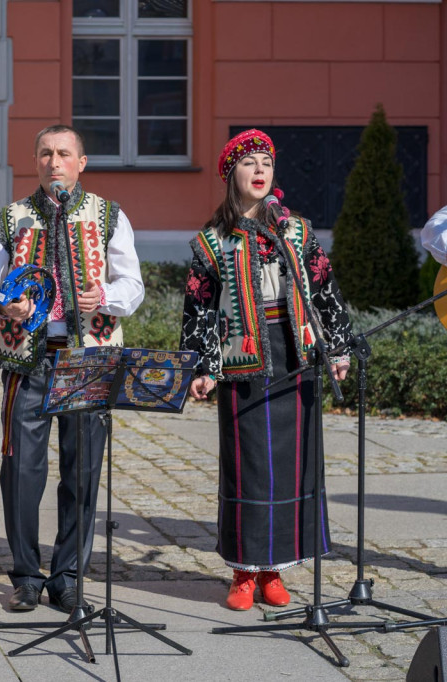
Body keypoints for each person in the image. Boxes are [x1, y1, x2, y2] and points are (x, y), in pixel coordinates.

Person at [0, 125, 144, 612]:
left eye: (64, 153)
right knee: (21, 468)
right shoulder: (12, 217)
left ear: (81, 163)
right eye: (46, 153)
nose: (54, 161)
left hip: (88, 357)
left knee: (83, 472)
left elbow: (133, 284)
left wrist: (104, 296)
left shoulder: (108, 215)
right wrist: (5, 303)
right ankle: (25, 575)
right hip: (29, 358)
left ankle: (67, 577)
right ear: (36, 161)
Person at [180, 129, 353, 610]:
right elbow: (198, 310)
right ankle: (242, 571)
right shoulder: (212, 242)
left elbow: (324, 289)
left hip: (296, 353)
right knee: (249, 467)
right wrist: (204, 366)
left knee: (294, 466)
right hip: (244, 360)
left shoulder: (296, 231)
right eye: (249, 163)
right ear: (230, 174)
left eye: (266, 163)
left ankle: (276, 569)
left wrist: (336, 348)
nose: (259, 171)